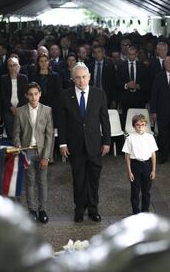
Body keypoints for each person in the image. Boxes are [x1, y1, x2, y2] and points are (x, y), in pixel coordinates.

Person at [58, 62, 110, 223]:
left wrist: (107, 142)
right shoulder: (65, 95)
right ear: (72, 79)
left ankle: (93, 209)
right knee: (78, 179)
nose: (81, 81)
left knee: (94, 179)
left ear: (89, 77)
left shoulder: (99, 94)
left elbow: (105, 120)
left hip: (95, 144)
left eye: (84, 77)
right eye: (78, 78)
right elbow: (62, 123)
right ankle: (79, 209)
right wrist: (62, 143)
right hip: (75, 145)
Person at [12, 82, 54, 224]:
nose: (34, 97)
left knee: (42, 181)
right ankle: (32, 210)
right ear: (26, 96)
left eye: (36, 94)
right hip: (27, 151)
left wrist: (46, 156)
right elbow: (16, 132)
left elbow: (49, 135)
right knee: (30, 181)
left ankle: (42, 210)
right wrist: (18, 145)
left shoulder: (47, 110)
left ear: (40, 94)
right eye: (30, 94)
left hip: (42, 151)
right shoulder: (20, 111)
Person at [122, 114, 158, 215]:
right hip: (135, 165)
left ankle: (145, 211)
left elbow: (153, 154)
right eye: (137, 125)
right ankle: (136, 212)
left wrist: (153, 170)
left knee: (146, 191)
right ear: (134, 126)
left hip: (147, 165)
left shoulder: (150, 137)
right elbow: (127, 156)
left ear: (146, 125)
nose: (140, 127)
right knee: (135, 191)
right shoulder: (130, 138)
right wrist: (129, 172)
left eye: (142, 124)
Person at [1, 57, 29, 140]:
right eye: (10, 66)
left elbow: (26, 95)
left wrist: (18, 109)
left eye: (14, 65)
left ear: (19, 66)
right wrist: (11, 108)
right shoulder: (3, 79)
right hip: (8, 109)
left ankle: (22, 151)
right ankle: (14, 151)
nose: (12, 67)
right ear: (7, 67)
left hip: (22, 108)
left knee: (23, 132)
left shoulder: (24, 78)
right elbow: (3, 96)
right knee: (11, 133)